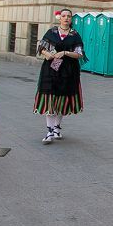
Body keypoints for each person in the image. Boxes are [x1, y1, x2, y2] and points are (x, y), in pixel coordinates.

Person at [35, 8, 85, 144]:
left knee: (62, 99)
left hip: (68, 72)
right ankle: (49, 131)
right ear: (60, 18)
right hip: (51, 70)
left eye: (69, 16)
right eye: (64, 16)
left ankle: (57, 128)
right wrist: (47, 54)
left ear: (71, 19)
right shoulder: (52, 32)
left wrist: (65, 53)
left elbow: (79, 54)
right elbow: (41, 47)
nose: (66, 18)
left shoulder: (75, 34)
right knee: (50, 98)